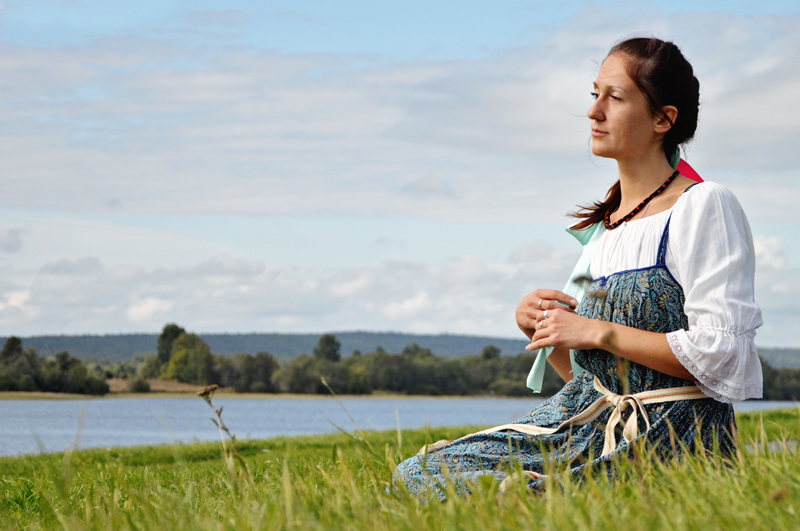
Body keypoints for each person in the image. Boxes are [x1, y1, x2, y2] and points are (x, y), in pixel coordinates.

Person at [391, 37, 763, 498]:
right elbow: (593, 383)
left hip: (673, 433)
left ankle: (534, 498)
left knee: (511, 492)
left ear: (663, 119)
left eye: (616, 97)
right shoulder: (610, 229)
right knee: (418, 472)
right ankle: (528, 497)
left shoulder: (704, 205)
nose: (594, 112)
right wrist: (547, 330)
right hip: (593, 424)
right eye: (595, 94)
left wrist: (593, 330)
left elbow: (725, 357)